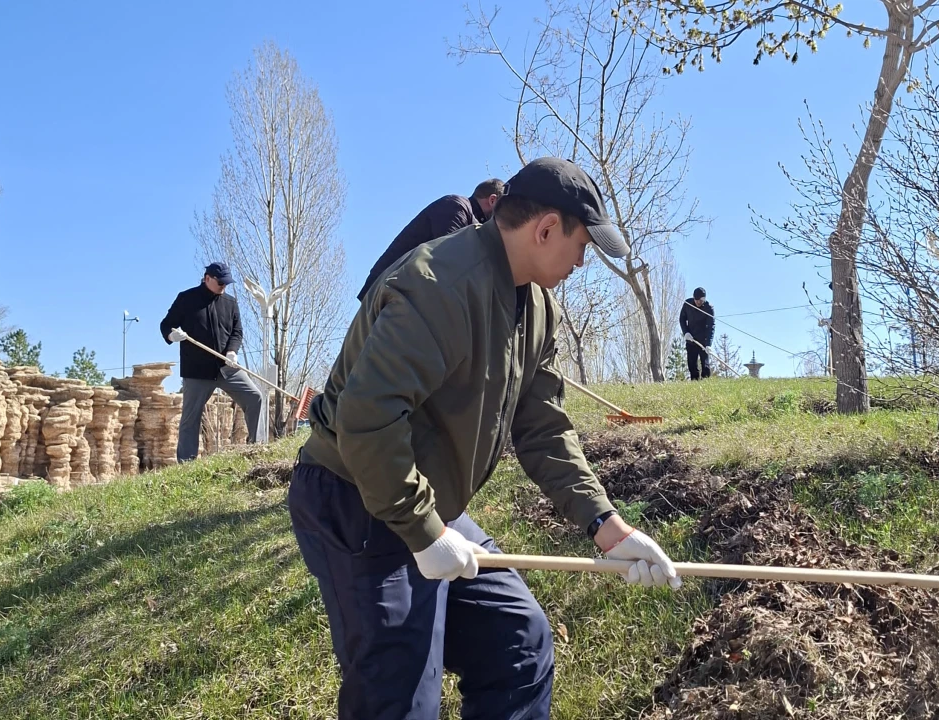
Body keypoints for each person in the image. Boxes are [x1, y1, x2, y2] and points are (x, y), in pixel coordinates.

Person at [288, 157, 681, 720]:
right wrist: (424, 532)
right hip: (354, 499)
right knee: (398, 697)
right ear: (546, 229)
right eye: (582, 245)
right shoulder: (441, 285)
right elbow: (366, 420)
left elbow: (543, 430)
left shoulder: (538, 306)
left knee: (518, 645)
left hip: (427, 503)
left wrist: (610, 529)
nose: (583, 261)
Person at [159, 261, 267, 462]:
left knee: (255, 396)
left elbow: (237, 331)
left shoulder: (230, 303)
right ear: (207, 278)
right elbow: (166, 325)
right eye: (220, 282)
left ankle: (257, 449)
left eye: (226, 283)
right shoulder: (186, 299)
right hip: (197, 371)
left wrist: (232, 352)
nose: (223, 286)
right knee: (191, 418)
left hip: (227, 368)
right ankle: (186, 462)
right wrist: (172, 335)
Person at [356, 178, 505, 300]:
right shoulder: (457, 207)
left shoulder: (466, 214)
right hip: (386, 290)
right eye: (503, 209)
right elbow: (450, 261)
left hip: (396, 290)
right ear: (492, 200)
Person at [679, 287, 715, 380]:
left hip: (703, 341)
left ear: (704, 299)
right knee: (692, 365)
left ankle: (706, 383)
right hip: (691, 339)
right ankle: (695, 383)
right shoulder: (687, 304)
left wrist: (708, 344)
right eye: (696, 300)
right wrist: (686, 332)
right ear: (693, 298)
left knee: (705, 366)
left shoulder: (709, 308)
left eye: (701, 300)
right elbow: (682, 319)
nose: (698, 302)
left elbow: (711, 326)